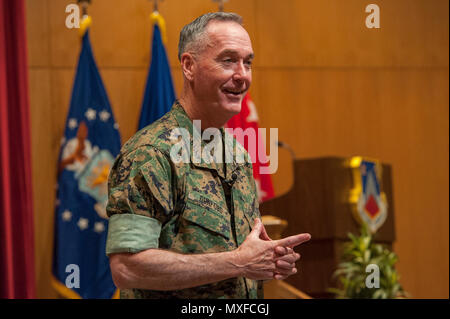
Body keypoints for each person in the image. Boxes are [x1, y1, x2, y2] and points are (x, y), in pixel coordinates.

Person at [105, 12, 311, 299]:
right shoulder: (151, 153)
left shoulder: (238, 155)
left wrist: (267, 259)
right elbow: (127, 268)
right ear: (189, 66)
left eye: (247, 62)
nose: (242, 75)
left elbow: (241, 255)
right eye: (228, 60)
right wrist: (239, 261)